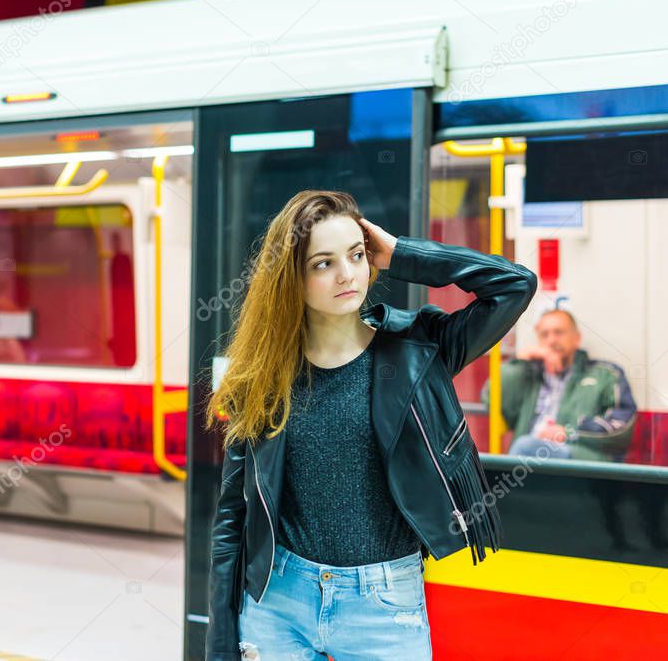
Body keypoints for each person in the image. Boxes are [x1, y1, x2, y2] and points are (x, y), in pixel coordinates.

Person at [205, 190, 537, 661]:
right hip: (278, 598)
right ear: (290, 279)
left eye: (356, 255)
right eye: (323, 263)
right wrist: (219, 646)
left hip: (384, 606)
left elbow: (515, 285)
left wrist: (403, 254)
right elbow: (231, 519)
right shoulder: (263, 375)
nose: (347, 274)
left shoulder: (420, 350)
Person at [487, 309, 637, 462]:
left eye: (558, 332)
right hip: (528, 461)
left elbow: (621, 428)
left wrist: (569, 432)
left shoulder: (605, 374)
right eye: (544, 335)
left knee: (525, 447)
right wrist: (522, 360)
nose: (551, 340)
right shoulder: (530, 375)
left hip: (577, 457)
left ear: (576, 338)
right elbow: (490, 397)